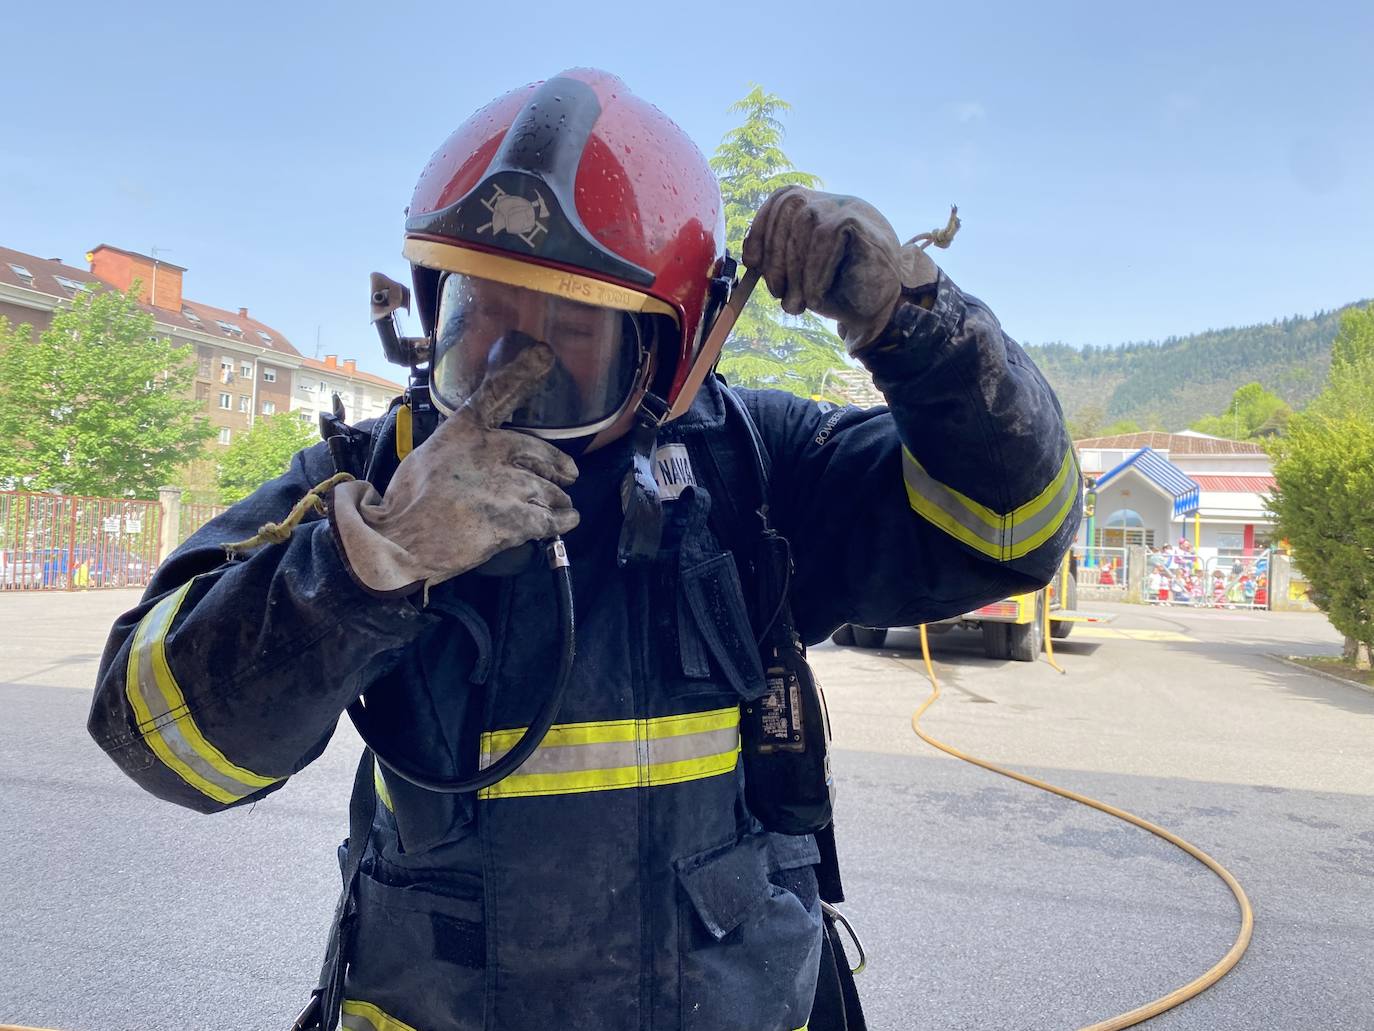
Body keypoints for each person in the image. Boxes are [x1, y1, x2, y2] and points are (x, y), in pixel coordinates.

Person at [87, 69, 1079, 1031]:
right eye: (482, 324)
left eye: (570, 339)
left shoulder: (753, 471)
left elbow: (1014, 525)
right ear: (430, 315)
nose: (514, 377)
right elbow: (158, 734)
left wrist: (914, 320)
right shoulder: (376, 478)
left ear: (670, 356)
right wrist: (370, 561)